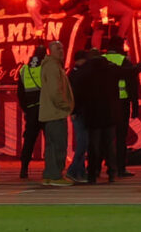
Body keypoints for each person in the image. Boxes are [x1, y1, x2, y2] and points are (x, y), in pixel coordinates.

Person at [68, 42, 120, 183]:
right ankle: (110, 172)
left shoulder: (82, 73)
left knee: (91, 145)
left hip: (91, 114)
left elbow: (77, 93)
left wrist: (75, 109)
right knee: (108, 145)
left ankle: (91, 173)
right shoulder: (109, 70)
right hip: (107, 113)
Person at [101, 34, 139, 177]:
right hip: (122, 102)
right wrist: (135, 105)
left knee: (104, 136)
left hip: (104, 103)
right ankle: (121, 168)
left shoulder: (101, 59)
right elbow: (132, 84)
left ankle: (102, 166)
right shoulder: (124, 61)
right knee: (121, 136)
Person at [38, 40, 74, 187]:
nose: (61, 51)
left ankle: (49, 175)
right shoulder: (53, 67)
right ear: (50, 51)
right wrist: (65, 105)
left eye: (62, 48)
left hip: (51, 112)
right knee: (59, 145)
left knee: (51, 146)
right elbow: (55, 91)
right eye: (58, 48)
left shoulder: (51, 66)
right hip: (56, 112)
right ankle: (55, 175)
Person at [16, 45, 45, 180]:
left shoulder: (24, 69)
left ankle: (24, 169)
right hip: (45, 108)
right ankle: (50, 169)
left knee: (29, 141)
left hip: (31, 110)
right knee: (50, 141)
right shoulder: (45, 67)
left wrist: (26, 109)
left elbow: (20, 93)